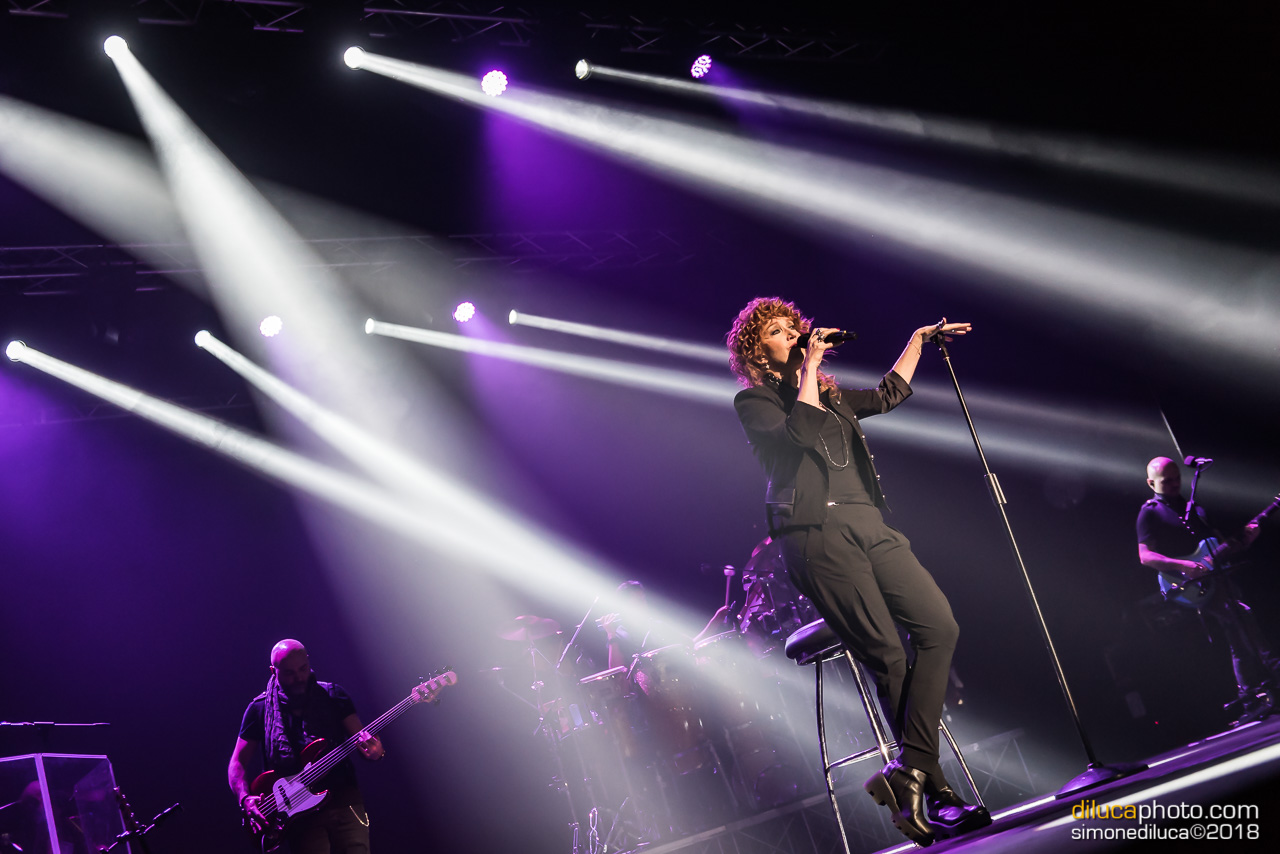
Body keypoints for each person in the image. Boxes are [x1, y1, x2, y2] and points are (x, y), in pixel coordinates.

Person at [726, 297, 987, 845]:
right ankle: (939, 797)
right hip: (816, 535)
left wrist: (917, 341)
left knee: (939, 626)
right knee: (887, 658)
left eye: (793, 326)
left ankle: (908, 772)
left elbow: (889, 394)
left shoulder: (833, 396)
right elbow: (798, 434)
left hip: (869, 523)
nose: (792, 333)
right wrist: (810, 369)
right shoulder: (755, 402)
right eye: (777, 331)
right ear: (758, 352)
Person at [1137, 456, 1276, 726]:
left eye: (1177, 478)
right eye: (1167, 481)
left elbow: (1217, 547)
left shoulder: (1194, 508)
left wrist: (1245, 540)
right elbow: (1145, 556)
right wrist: (1184, 566)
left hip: (1217, 578)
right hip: (1188, 583)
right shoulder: (1149, 512)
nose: (1174, 484)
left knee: (1238, 636)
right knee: (1243, 617)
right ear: (1151, 483)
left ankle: (1249, 698)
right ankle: (1273, 673)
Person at [228, 639, 385, 854]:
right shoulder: (259, 708)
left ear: (308, 661)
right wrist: (245, 799)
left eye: (303, 669)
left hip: (345, 801)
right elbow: (237, 762)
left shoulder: (333, 695)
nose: (299, 678)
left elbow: (363, 740)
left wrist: (376, 751)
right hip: (298, 815)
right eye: (289, 673)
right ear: (273, 671)